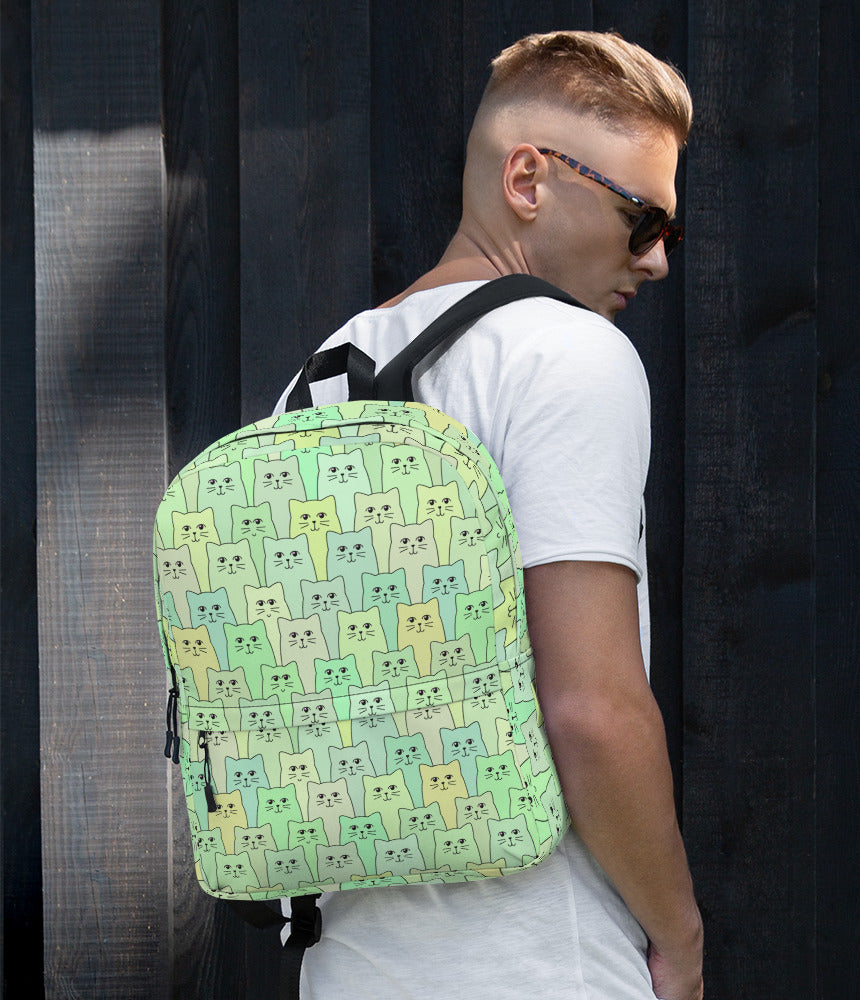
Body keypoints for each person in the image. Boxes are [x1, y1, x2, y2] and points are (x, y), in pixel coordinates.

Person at [274, 29, 703, 1000]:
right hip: (537, 964)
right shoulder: (566, 353)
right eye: (645, 221)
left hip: (346, 966)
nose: (659, 262)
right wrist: (680, 936)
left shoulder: (315, 381)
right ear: (528, 179)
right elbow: (590, 708)